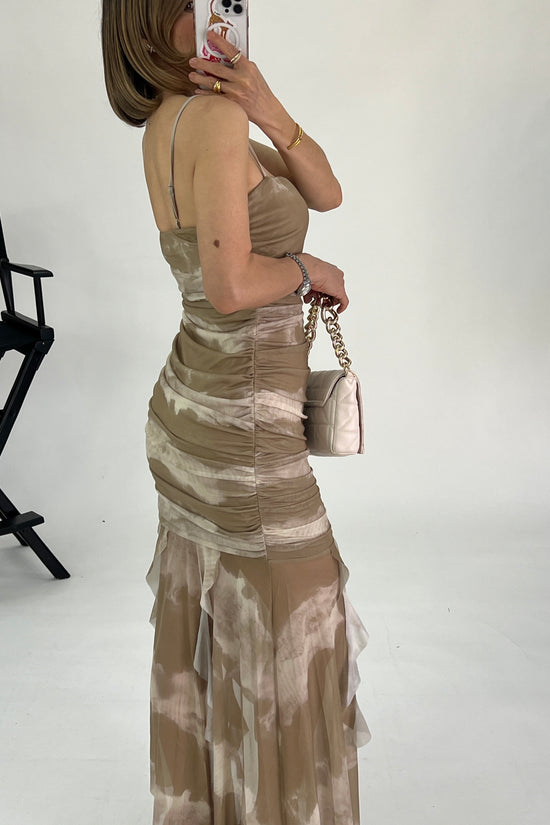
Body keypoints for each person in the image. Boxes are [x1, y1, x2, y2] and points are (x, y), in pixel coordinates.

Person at [101, 1, 371, 823]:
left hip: (194, 419)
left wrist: (266, 104)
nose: (215, 14)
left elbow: (327, 188)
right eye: (188, 4)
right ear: (147, 21)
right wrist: (308, 267)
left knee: (229, 634)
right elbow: (229, 285)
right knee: (297, 630)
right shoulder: (211, 122)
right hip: (240, 437)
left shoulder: (177, 121)